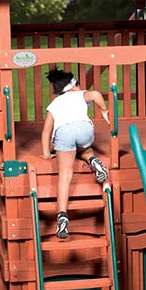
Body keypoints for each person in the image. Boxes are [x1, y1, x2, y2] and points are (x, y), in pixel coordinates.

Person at [40, 68, 111, 240]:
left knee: (65, 174)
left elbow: (46, 131)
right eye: (78, 84)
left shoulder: (54, 104)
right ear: (73, 86)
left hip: (64, 134)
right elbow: (96, 95)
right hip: (85, 130)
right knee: (85, 149)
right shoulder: (80, 95)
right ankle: (93, 160)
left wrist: (46, 154)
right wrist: (104, 110)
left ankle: (62, 217)